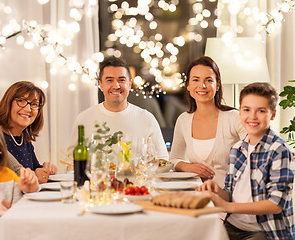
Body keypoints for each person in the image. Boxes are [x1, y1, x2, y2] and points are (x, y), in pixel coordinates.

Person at [197, 82, 294, 239]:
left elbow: (276, 204)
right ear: (240, 112)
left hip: (265, 231)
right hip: (233, 225)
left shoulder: (279, 151)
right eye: (247, 110)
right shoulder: (237, 149)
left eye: (261, 111)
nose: (253, 116)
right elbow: (229, 192)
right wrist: (216, 190)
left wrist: (227, 206)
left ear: (273, 114)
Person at [67, 56, 168, 161]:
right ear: (100, 85)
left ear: (129, 85)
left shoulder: (147, 118)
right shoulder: (84, 119)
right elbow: (70, 163)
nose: (116, 86)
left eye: (121, 80)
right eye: (109, 80)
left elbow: (162, 161)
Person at [169, 56, 246, 187]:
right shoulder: (183, 120)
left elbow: (256, 152)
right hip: (198, 195)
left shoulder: (234, 118)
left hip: (232, 197)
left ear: (217, 86)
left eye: (208, 80)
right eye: (196, 80)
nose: (202, 86)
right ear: (188, 85)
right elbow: (174, 159)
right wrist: (188, 167)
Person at [0, 81, 57, 184]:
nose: (28, 109)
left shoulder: (24, 138)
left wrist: (46, 169)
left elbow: (34, 168)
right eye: (21, 101)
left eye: (34, 104)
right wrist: (36, 175)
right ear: (8, 102)